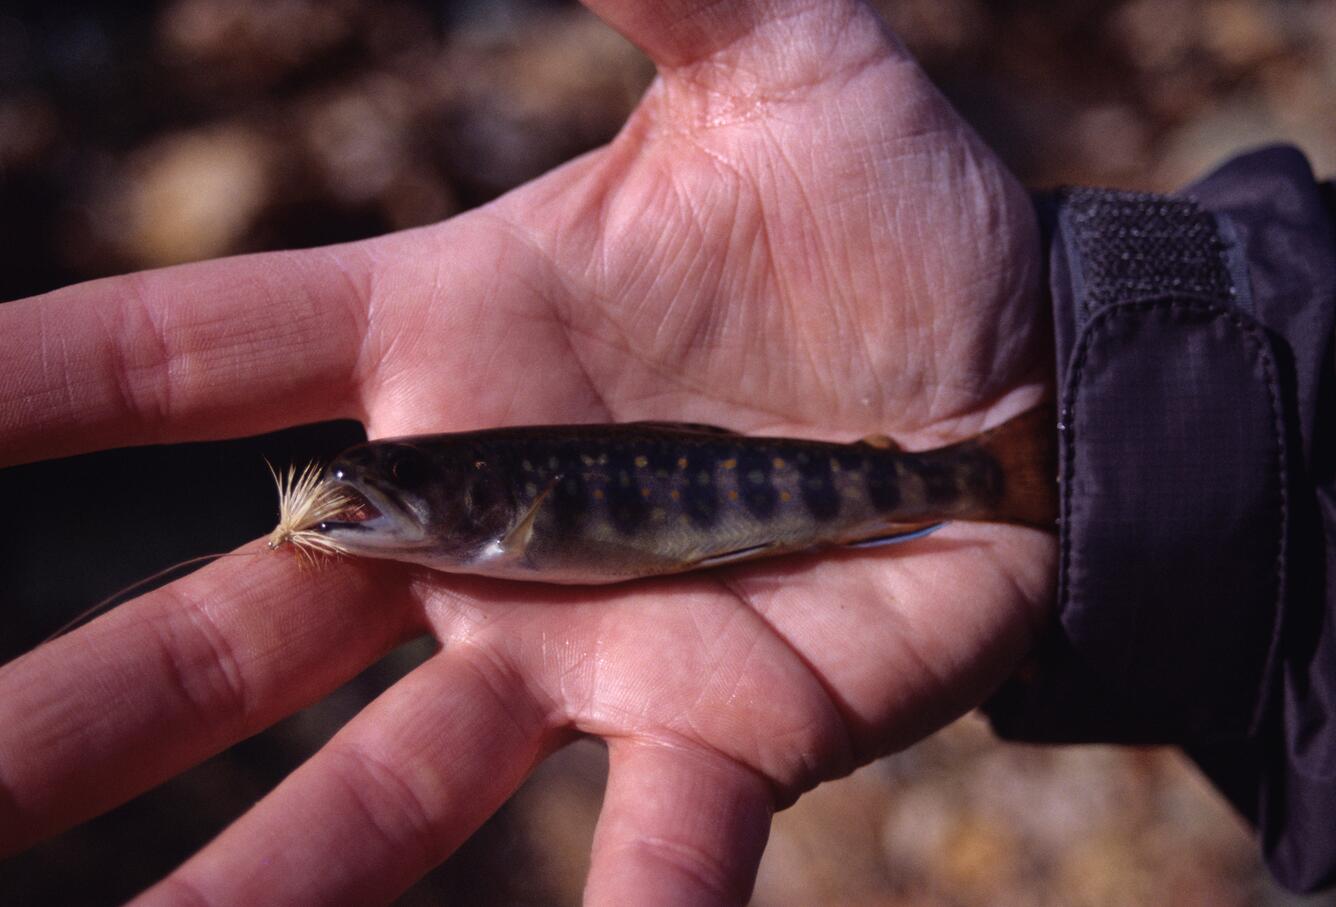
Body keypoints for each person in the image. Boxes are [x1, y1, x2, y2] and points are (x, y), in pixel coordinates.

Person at [0, 0, 1330, 903]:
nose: (361, 501)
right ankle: (1014, 476)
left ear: (474, 494)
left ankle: (1006, 478)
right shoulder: (487, 520)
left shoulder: (502, 525)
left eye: (393, 484)